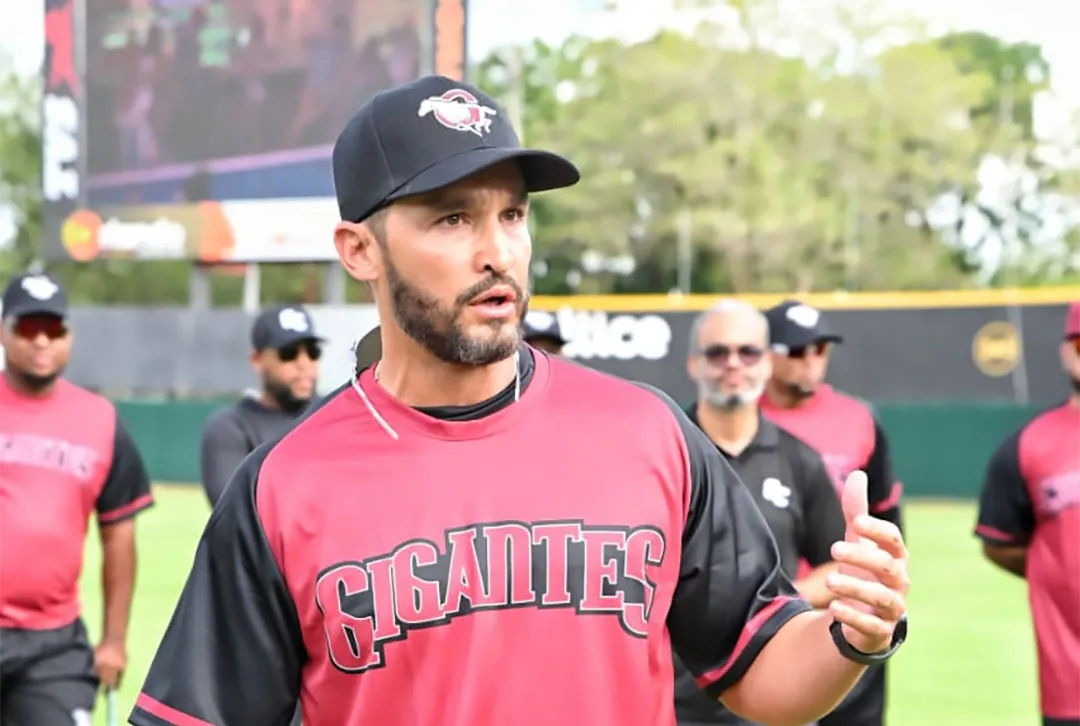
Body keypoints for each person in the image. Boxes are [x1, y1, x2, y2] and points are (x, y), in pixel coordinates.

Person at [129, 75, 909, 726]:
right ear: (360, 250)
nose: (497, 252)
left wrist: (852, 634)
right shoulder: (283, 487)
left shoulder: (647, 433)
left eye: (512, 214)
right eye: (453, 218)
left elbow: (758, 667)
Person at [675, 299, 846, 726]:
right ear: (694, 364)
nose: (733, 363)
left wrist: (765, 608)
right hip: (677, 703)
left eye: (748, 352)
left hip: (775, 695)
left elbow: (837, 566)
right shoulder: (665, 452)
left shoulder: (800, 460)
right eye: (718, 352)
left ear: (768, 363)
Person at [0, 272, 154, 725]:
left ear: (69, 335)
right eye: (28, 328)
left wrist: (114, 640)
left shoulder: (101, 420)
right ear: (4, 331)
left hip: (54, 646)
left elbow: (119, 535)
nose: (41, 340)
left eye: (54, 328)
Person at [759, 299, 904, 726]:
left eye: (820, 348)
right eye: (796, 350)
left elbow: (887, 516)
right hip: (773, 617)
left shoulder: (859, 418)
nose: (810, 360)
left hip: (850, 609)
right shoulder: (743, 424)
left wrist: (883, 593)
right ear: (766, 355)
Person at [975, 300, 1080, 726]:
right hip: (1070, 684)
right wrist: (1055, 568)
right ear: (1066, 351)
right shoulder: (1026, 445)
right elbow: (999, 543)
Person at [199, 303, 322, 507]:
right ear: (257, 360)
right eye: (289, 353)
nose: (303, 364)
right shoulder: (231, 427)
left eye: (312, 352)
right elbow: (235, 512)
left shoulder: (336, 415)